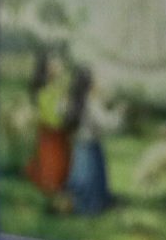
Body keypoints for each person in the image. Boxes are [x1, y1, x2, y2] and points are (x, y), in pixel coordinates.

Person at [26, 50, 74, 200]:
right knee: (52, 160)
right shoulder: (45, 90)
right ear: (48, 68)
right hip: (50, 130)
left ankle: (59, 184)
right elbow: (49, 111)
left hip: (59, 130)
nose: (59, 67)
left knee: (63, 158)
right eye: (55, 64)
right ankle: (51, 184)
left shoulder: (60, 86)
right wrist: (62, 106)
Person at [65, 65, 112, 217]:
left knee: (82, 176)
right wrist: (120, 113)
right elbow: (105, 123)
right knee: (92, 177)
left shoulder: (75, 100)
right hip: (91, 146)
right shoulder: (92, 102)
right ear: (90, 83)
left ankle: (82, 203)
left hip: (80, 146)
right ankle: (91, 206)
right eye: (96, 80)